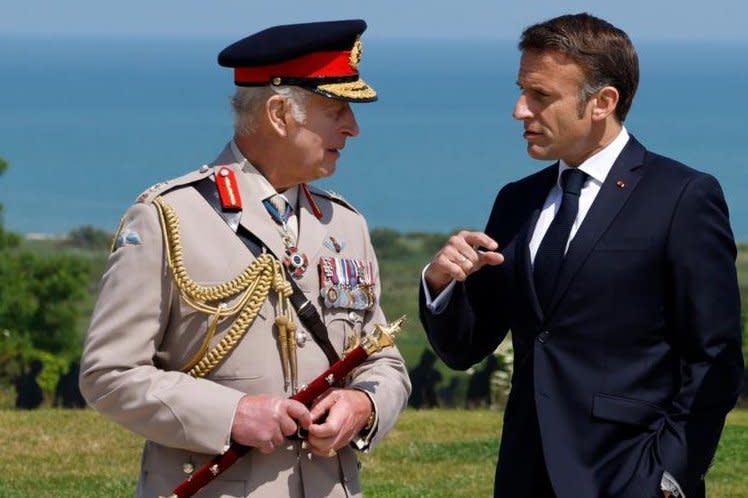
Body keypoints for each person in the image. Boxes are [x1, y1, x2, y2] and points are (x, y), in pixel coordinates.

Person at [79, 19, 410, 498]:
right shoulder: (169, 218)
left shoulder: (345, 225)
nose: (353, 128)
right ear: (278, 113)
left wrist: (364, 404)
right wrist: (230, 414)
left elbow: (384, 360)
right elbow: (107, 375)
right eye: (336, 109)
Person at [419, 13, 743, 498]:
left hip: (633, 476)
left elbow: (713, 358)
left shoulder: (682, 196)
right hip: (524, 477)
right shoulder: (515, 200)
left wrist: (670, 476)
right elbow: (466, 348)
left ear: (602, 102)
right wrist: (442, 285)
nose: (519, 110)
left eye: (540, 96)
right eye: (521, 90)